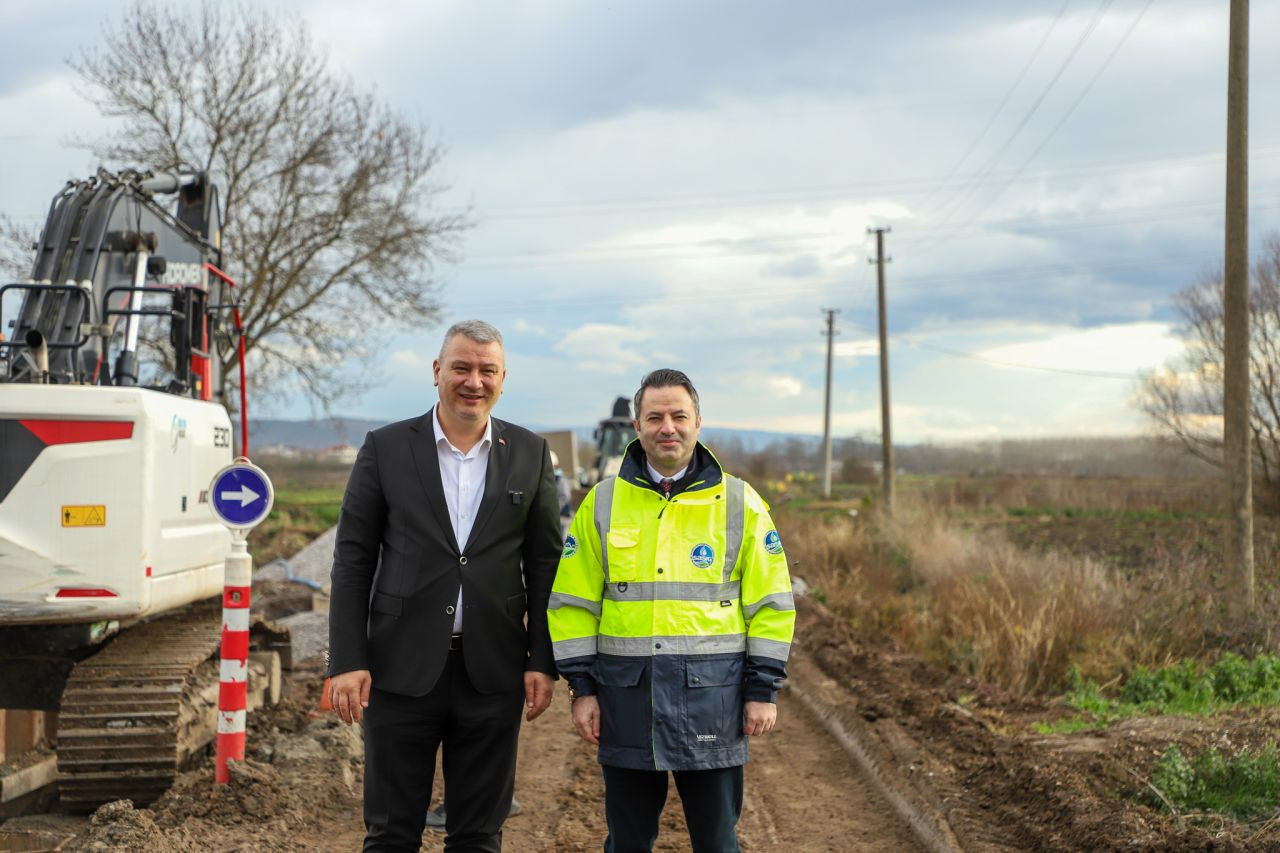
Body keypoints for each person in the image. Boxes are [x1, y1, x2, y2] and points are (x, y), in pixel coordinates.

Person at [327, 319, 562, 852]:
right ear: (437, 372)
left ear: (503, 379)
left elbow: (545, 565)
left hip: (493, 674)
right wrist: (346, 658)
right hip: (397, 671)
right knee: (390, 833)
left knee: (479, 835)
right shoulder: (385, 448)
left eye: (487, 370)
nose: (473, 381)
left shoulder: (528, 452)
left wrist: (542, 659)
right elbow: (353, 560)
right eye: (461, 367)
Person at [548, 368, 795, 853]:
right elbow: (573, 604)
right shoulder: (601, 503)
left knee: (718, 842)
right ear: (636, 425)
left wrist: (762, 689)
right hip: (626, 701)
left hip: (713, 702)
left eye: (679, 416)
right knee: (627, 843)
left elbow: (771, 604)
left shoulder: (740, 504)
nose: (668, 427)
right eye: (655, 416)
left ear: (698, 423)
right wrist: (582, 688)